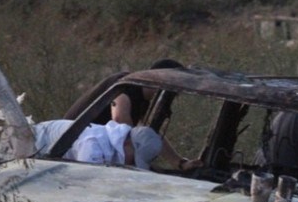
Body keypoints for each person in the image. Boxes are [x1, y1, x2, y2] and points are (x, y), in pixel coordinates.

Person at [64, 58, 199, 171]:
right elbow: (120, 121)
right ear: (161, 80)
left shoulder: (143, 99)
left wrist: (179, 162)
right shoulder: (127, 85)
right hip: (72, 147)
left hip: (94, 150)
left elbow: (149, 134)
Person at [33, 119, 162, 170]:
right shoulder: (93, 145)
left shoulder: (110, 141)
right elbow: (86, 182)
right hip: (31, 146)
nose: (132, 163)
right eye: (134, 158)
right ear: (127, 143)